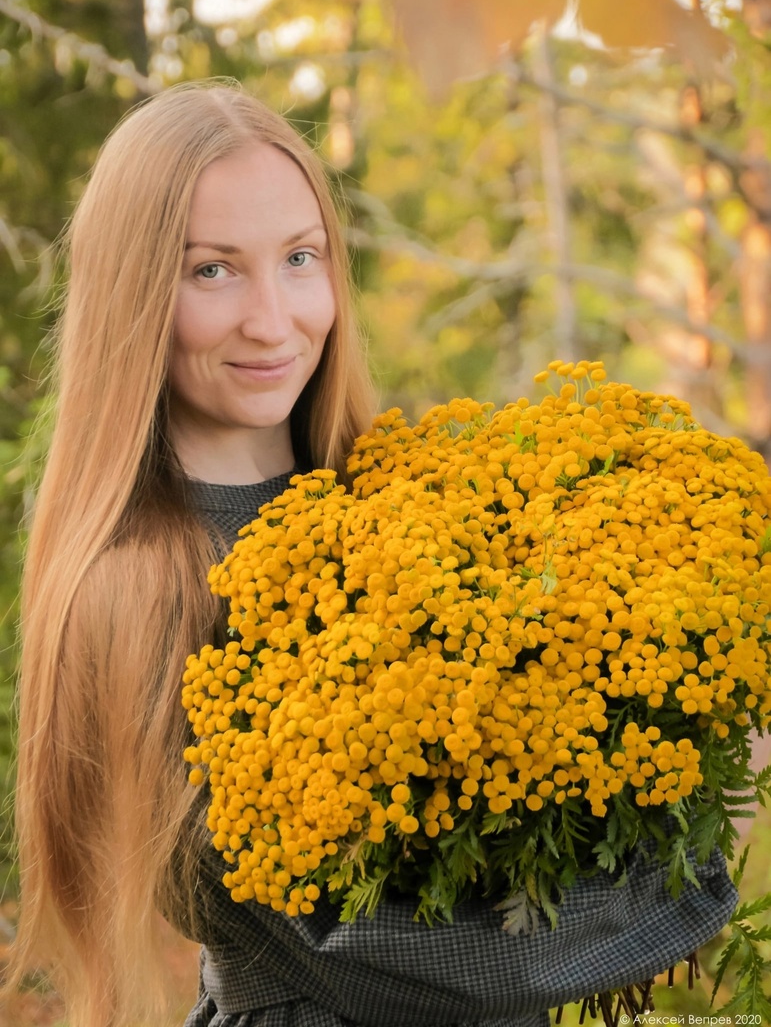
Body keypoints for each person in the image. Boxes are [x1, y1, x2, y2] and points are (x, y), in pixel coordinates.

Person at [11, 80, 737, 1027]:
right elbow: (374, 953)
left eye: (299, 258)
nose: (273, 320)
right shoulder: (139, 590)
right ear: (133, 294)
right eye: (212, 271)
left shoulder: (403, 501)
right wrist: (691, 872)